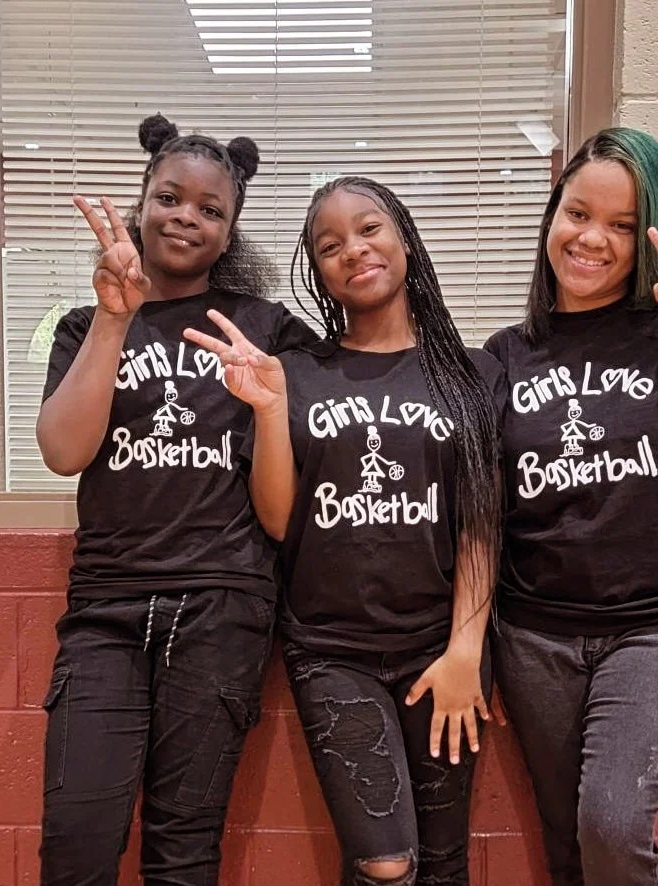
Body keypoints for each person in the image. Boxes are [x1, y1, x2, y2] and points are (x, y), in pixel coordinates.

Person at [184, 176, 506, 886]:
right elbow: (277, 518)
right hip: (333, 651)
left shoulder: (471, 373)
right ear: (319, 272)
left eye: (369, 229)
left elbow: (480, 523)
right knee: (385, 863)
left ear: (404, 239)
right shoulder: (298, 373)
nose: (353, 251)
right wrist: (269, 412)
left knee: (444, 858)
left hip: (443, 650)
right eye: (329, 246)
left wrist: (465, 650)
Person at [484, 127, 658, 886]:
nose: (592, 240)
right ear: (553, 215)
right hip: (535, 636)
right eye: (578, 214)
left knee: (611, 824)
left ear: (647, 236)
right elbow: (485, 515)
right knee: (569, 848)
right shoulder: (505, 356)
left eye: (620, 225)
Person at [36, 113, 315, 886]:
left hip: (222, 607)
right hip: (106, 609)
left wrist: (266, 405)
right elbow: (64, 452)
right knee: (76, 840)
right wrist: (115, 320)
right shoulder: (85, 323)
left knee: (184, 851)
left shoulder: (265, 331)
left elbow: (281, 508)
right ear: (141, 204)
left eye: (211, 209)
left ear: (230, 235)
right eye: (170, 197)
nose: (187, 216)